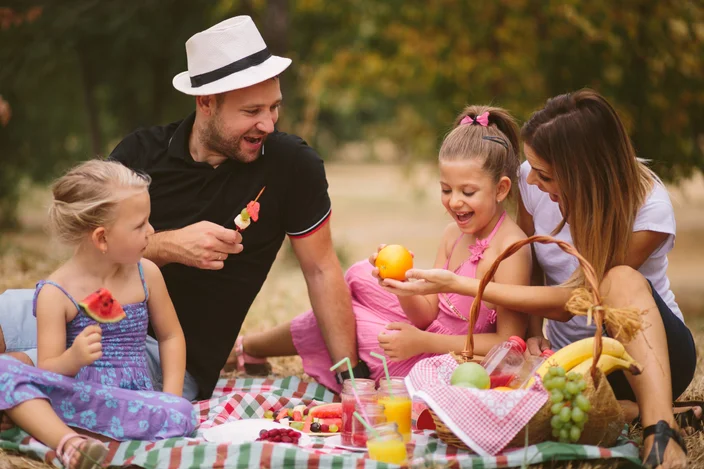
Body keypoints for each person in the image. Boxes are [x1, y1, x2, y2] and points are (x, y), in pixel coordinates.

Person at [0, 15, 363, 400]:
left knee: (14, 375)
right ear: (206, 102)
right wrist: (168, 247)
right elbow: (86, 257)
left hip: (157, 355)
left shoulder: (292, 166)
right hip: (78, 307)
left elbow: (322, 270)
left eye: (274, 107)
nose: (268, 124)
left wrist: (351, 378)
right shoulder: (140, 153)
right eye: (251, 111)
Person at [381, 89, 696, 468]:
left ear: (583, 173)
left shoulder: (649, 209)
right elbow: (531, 265)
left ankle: (660, 430)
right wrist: (531, 333)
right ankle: (630, 412)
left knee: (619, 278)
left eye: (544, 175)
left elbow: (577, 300)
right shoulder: (536, 185)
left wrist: (460, 284)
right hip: (566, 361)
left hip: (644, 355)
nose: (531, 184)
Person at [234, 106, 532, 392]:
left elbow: (508, 344)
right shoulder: (452, 234)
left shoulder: (511, 250)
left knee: (348, 318)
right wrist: (402, 287)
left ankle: (247, 348)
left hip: (452, 359)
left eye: (468, 192)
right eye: (445, 189)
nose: (454, 202)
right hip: (428, 335)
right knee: (360, 275)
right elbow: (427, 316)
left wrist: (423, 343)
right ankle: (248, 348)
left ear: (501, 189)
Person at [0, 160, 196, 469]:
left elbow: (171, 336)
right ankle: (70, 444)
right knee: (3, 369)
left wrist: (171, 399)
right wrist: (73, 358)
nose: (152, 231)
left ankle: (36, 425)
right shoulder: (56, 291)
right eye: (140, 225)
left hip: (136, 404)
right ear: (102, 238)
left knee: (184, 413)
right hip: (76, 399)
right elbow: (51, 370)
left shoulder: (147, 274)